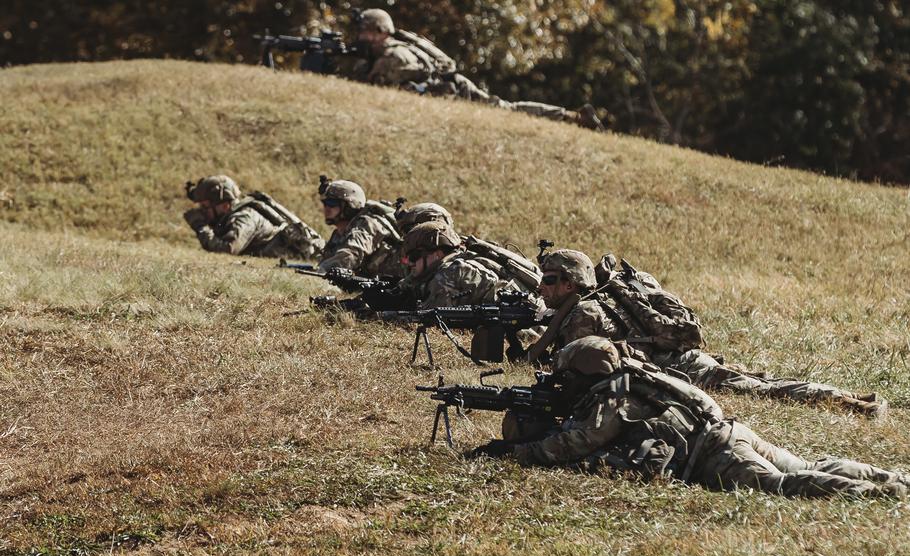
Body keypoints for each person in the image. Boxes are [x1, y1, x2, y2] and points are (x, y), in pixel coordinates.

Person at [474, 336, 908, 499]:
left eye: (565, 376)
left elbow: (579, 441)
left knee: (782, 485)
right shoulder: (637, 377)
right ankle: (894, 478)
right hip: (730, 432)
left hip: (713, 452)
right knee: (810, 465)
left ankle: (879, 493)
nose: (560, 382)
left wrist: (518, 452)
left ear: (583, 375)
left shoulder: (613, 396)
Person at [529, 249, 887, 416]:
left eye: (549, 279)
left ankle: (851, 404)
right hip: (678, 358)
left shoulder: (583, 311)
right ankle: (850, 397)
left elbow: (575, 364)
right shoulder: (603, 298)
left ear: (571, 283)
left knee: (762, 389)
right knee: (759, 383)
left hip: (679, 366)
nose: (543, 286)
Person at [352, 9, 604, 131]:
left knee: (506, 110)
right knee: (505, 108)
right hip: (451, 86)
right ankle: (571, 117)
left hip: (452, 91)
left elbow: (374, 86)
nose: (362, 36)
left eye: (366, 31)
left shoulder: (393, 53)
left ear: (381, 31)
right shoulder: (394, 48)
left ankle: (571, 118)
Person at [400, 221, 540, 308]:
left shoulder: (450, 273)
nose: (410, 262)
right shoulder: (461, 258)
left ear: (438, 253)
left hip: (530, 328)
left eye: (414, 256)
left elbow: (428, 316)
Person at [183, 175, 323, 259]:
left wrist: (200, 226)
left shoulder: (244, 217)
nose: (202, 212)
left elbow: (227, 250)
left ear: (224, 205)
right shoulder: (233, 216)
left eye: (205, 207)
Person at [318, 177, 406, 279]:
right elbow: (328, 259)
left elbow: (350, 255)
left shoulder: (368, 224)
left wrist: (321, 272)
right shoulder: (339, 233)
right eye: (325, 203)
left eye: (332, 203)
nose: (326, 208)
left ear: (349, 206)